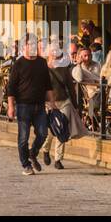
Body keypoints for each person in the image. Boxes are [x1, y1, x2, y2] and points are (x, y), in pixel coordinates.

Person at [5, 36, 55, 175]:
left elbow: (48, 85)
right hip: (23, 106)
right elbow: (11, 88)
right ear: (23, 47)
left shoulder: (42, 63)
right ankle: (26, 165)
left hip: (39, 106)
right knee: (23, 138)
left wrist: (52, 103)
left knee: (43, 133)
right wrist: (11, 106)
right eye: (30, 44)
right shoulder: (19, 64)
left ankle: (32, 153)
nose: (33, 47)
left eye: (35, 44)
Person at [42, 41, 86, 170]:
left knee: (62, 129)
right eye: (53, 51)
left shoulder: (64, 67)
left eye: (57, 50)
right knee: (52, 130)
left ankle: (58, 159)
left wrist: (75, 104)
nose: (55, 53)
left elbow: (70, 87)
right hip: (50, 103)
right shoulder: (43, 68)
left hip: (64, 101)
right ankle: (45, 149)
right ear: (48, 53)